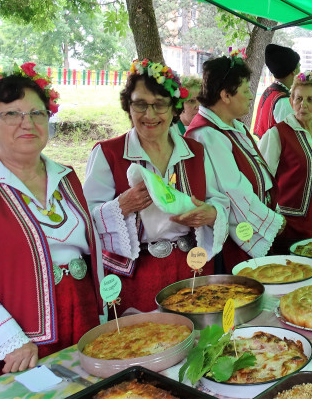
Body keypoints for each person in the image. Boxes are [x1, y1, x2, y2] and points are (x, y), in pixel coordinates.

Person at [0, 63, 102, 387]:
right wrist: (7, 339)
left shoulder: (66, 176)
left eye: (37, 114)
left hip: (82, 312)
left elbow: (89, 244)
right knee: (42, 393)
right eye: (12, 114)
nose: (27, 123)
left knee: (90, 390)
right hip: (22, 332)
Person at [83, 59, 229, 314]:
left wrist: (212, 213)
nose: (149, 115)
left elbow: (217, 200)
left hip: (190, 267)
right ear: (128, 106)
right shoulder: (109, 154)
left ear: (174, 109)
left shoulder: (195, 151)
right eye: (140, 104)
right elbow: (86, 220)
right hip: (136, 276)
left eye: (159, 105)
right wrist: (121, 206)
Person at [186, 51, 285, 273]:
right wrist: (273, 221)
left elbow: (260, 172)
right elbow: (233, 191)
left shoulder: (233, 126)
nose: (251, 96)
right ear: (225, 95)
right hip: (234, 236)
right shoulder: (207, 135)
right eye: (245, 90)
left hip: (253, 219)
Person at [259, 71, 312, 253]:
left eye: (310, 100)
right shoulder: (278, 133)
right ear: (291, 101)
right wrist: (271, 217)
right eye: (298, 99)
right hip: (293, 219)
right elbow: (263, 180)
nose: (303, 105)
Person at [253, 44, 300, 138]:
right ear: (293, 71)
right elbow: (291, 136)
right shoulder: (283, 101)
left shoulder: (269, 91)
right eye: (299, 66)